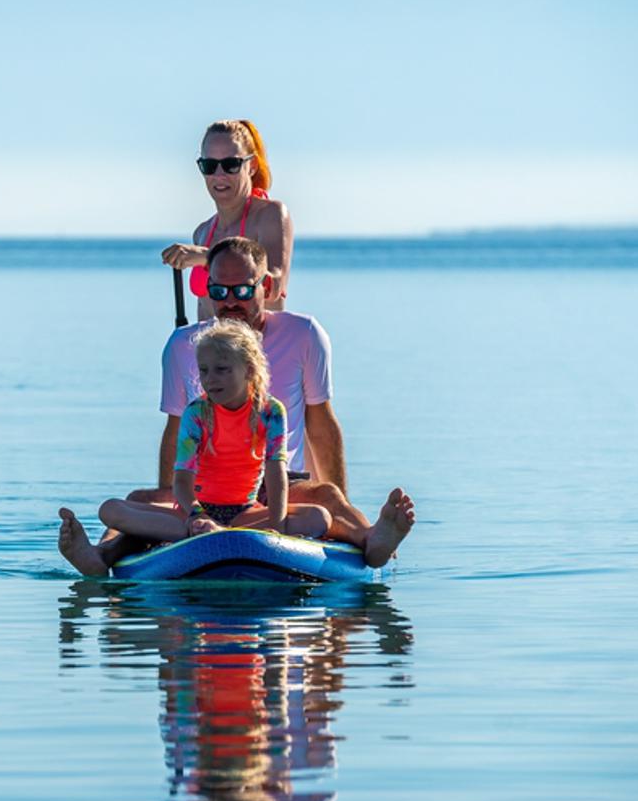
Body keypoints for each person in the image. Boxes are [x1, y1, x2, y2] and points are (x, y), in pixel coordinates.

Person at [59, 237, 415, 573]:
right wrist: (179, 516)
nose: (230, 301)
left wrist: (339, 512)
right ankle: (99, 557)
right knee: (138, 498)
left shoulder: (304, 334)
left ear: (267, 288)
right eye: (219, 291)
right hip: (202, 491)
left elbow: (321, 423)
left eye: (243, 290)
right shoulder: (184, 345)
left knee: (326, 499)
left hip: (275, 488)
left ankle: (372, 540)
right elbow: (175, 432)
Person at [92, 321, 332, 548]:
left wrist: (277, 526)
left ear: (248, 369)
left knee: (319, 517)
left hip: (245, 512)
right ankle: (211, 531)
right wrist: (198, 516)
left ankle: (221, 532)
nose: (210, 379)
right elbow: (182, 481)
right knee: (110, 509)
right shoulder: (196, 413)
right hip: (195, 511)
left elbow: (276, 474)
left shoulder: (270, 411)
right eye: (204, 371)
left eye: (222, 370)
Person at [162, 119, 293, 319]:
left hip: (260, 349)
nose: (219, 175)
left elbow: (275, 286)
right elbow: (205, 314)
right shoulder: (203, 232)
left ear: (252, 166)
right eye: (209, 165)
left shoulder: (269, 215)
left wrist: (209, 257)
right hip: (213, 348)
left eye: (231, 164)